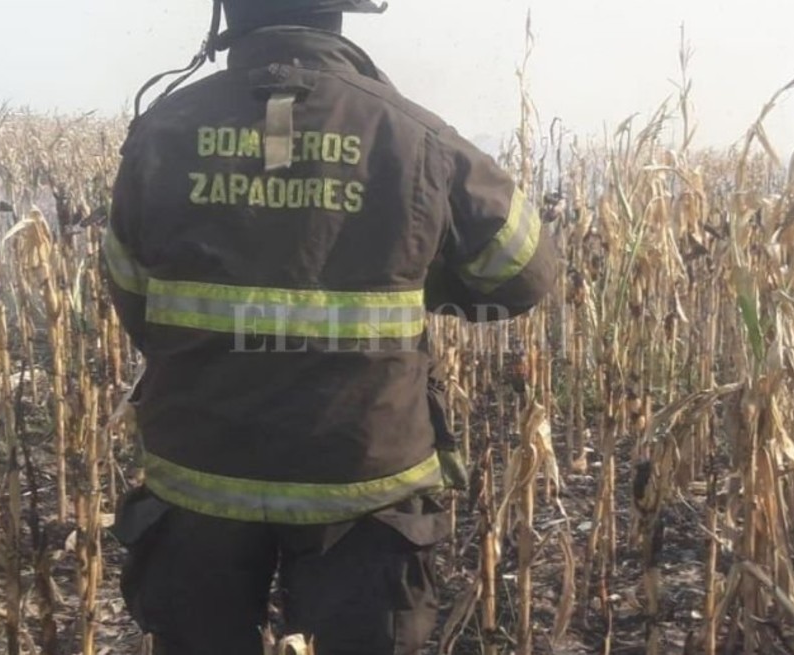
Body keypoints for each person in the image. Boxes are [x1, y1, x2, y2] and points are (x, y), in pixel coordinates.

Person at [102, 1, 557, 652]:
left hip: (197, 473)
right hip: (365, 484)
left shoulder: (161, 131)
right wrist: (420, 273)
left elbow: (134, 293)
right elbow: (521, 275)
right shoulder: (413, 132)